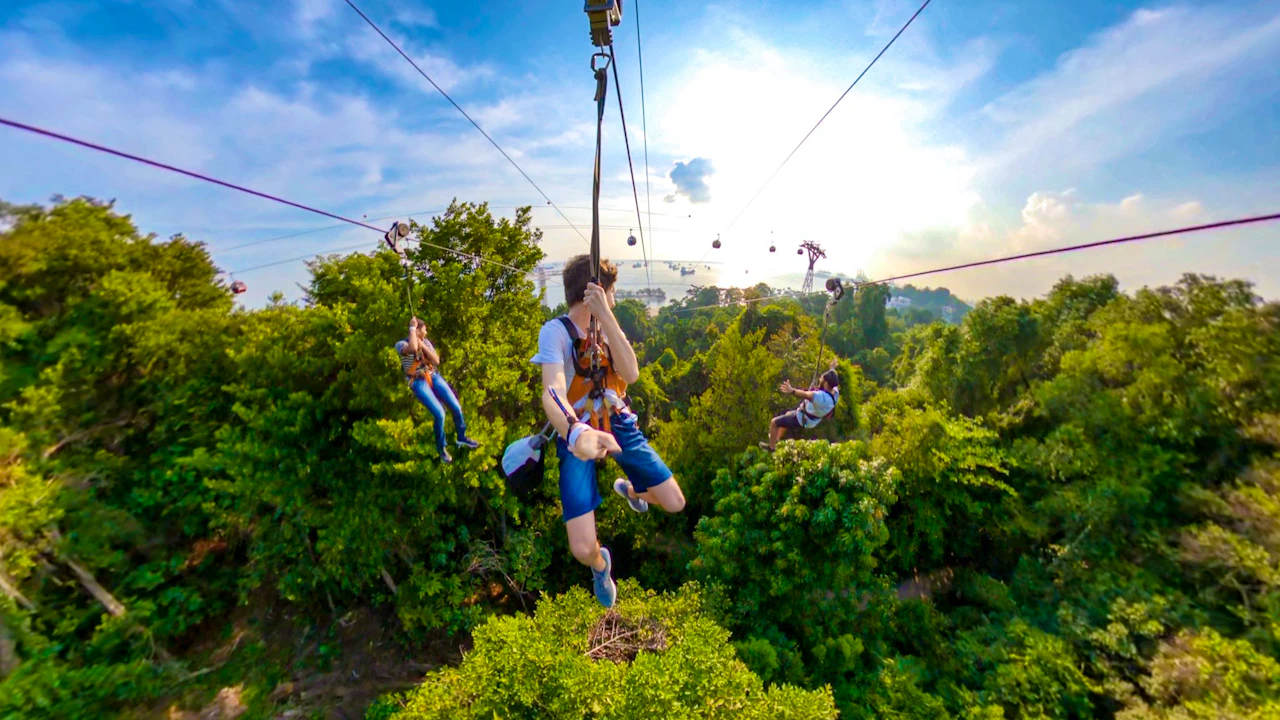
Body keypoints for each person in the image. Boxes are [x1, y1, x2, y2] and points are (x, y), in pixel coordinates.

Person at [531, 255, 687, 608]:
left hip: (616, 419)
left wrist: (606, 317)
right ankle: (601, 567)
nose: (614, 299)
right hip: (576, 422)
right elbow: (552, 389)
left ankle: (632, 490)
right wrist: (575, 433)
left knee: (674, 502)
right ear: (599, 291)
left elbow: (630, 374)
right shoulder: (555, 332)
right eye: (611, 293)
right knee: (582, 548)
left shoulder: (608, 328)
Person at [396, 317, 479, 463]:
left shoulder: (426, 342)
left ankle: (461, 437)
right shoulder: (401, 344)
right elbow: (413, 348)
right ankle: (442, 449)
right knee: (440, 414)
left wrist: (424, 345)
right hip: (418, 381)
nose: (426, 332)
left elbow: (436, 360)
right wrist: (412, 329)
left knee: (456, 407)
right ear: (417, 330)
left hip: (433, 376)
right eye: (424, 329)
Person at [760, 358, 840, 452]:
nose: (820, 379)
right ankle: (776, 439)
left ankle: (771, 448)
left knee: (774, 422)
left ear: (826, 383)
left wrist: (792, 390)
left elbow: (805, 394)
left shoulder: (820, 397)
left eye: (822, 379)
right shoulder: (835, 394)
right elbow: (833, 381)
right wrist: (832, 368)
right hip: (813, 420)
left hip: (801, 418)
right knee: (788, 414)